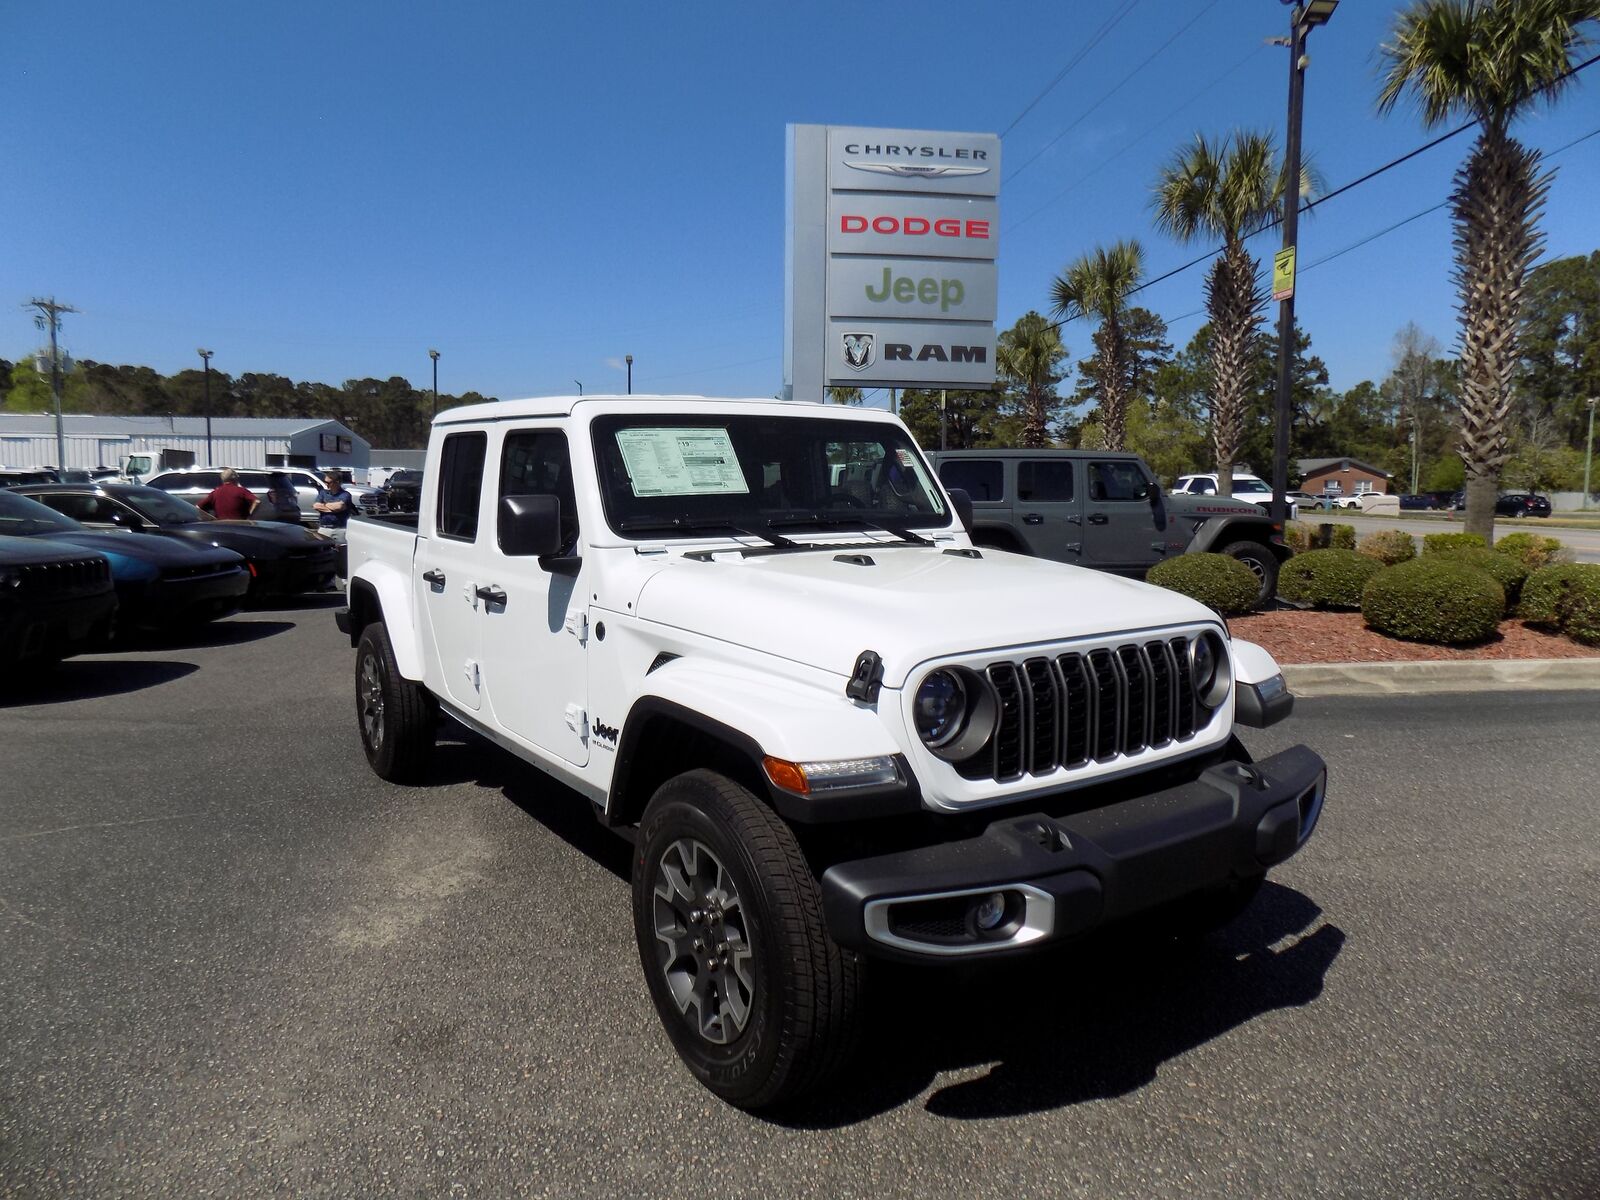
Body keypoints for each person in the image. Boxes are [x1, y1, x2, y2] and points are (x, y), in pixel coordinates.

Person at [313, 470, 357, 587]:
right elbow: (315, 505)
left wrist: (325, 506)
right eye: (325, 482)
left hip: (340, 528)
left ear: (337, 482)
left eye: (329, 482)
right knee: (324, 555)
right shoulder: (323, 493)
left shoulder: (345, 495)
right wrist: (331, 508)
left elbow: (340, 506)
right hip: (324, 528)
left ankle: (345, 583)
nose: (326, 484)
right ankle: (328, 582)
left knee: (342, 556)